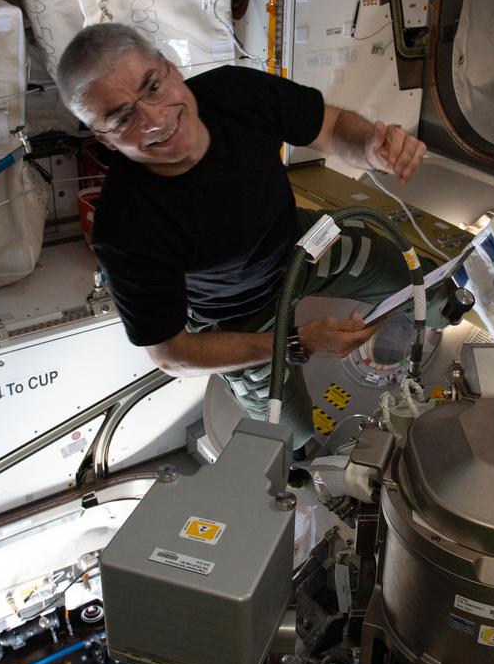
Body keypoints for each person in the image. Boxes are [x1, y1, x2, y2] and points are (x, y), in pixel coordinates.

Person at [57, 23, 442, 446]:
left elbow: (332, 128)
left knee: (429, 287)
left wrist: (370, 146)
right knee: (285, 439)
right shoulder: (125, 226)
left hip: (302, 247)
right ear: (103, 139)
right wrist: (293, 342)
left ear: (171, 69)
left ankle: (471, 336)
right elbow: (172, 354)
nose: (155, 120)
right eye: (123, 117)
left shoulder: (235, 93)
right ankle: (314, 474)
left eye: (152, 87)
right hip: (233, 314)